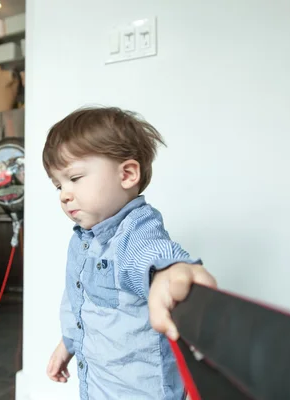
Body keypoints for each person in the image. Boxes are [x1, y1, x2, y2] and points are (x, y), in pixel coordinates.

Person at [43, 106, 217, 399]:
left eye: (74, 178)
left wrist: (172, 272)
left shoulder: (136, 231)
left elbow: (151, 256)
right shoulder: (81, 240)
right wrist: (68, 343)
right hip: (98, 385)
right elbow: (78, 299)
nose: (64, 194)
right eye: (58, 185)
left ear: (127, 174)